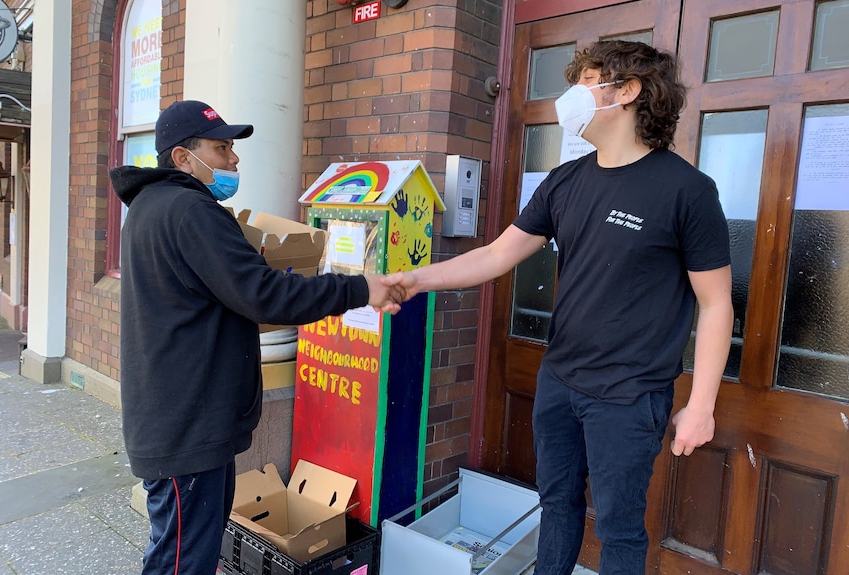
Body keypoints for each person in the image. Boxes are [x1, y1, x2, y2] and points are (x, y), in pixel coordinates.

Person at [383, 41, 733, 575]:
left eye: (586, 81)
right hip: (560, 382)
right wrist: (409, 280)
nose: (570, 96)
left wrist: (702, 404)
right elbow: (498, 254)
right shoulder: (565, 180)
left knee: (618, 530)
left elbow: (715, 304)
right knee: (557, 507)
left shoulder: (687, 190)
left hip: (629, 394)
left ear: (628, 90)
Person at [109, 100, 403, 575]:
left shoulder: (150, 207)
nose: (234, 159)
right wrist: (360, 287)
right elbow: (265, 296)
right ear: (183, 157)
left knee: (179, 548)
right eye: (221, 148)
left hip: (175, 416)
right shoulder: (190, 211)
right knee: (183, 560)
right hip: (189, 425)